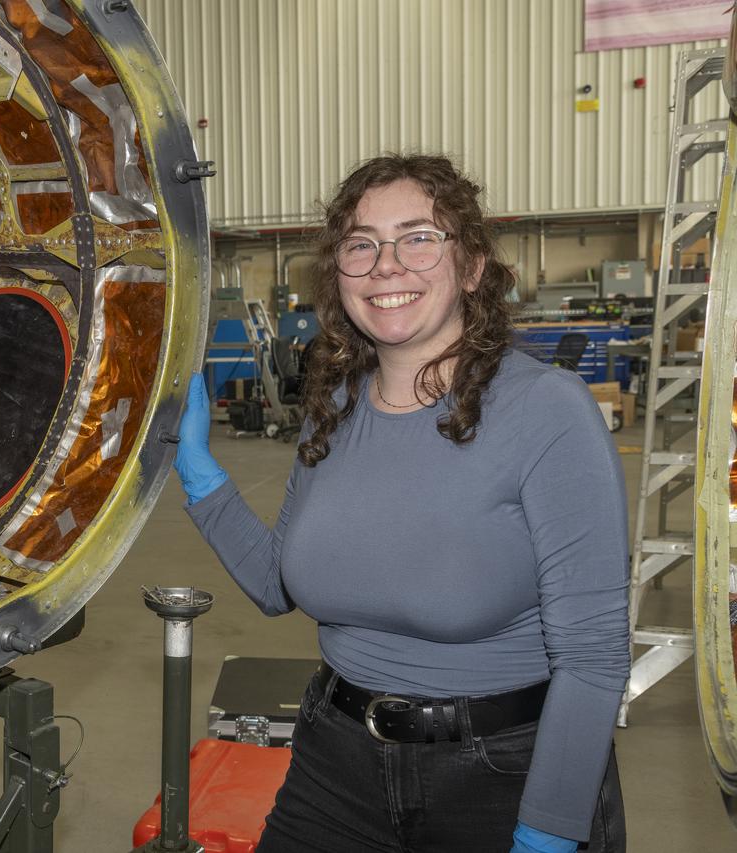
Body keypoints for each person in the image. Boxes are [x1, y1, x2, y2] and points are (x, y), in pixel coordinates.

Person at [174, 153, 629, 853]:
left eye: (419, 237)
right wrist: (201, 474)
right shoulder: (334, 405)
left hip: (505, 774)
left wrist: (547, 831)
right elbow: (276, 584)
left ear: (472, 265)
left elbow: (594, 657)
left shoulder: (546, 411)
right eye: (361, 244)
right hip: (335, 764)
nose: (387, 265)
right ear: (339, 274)